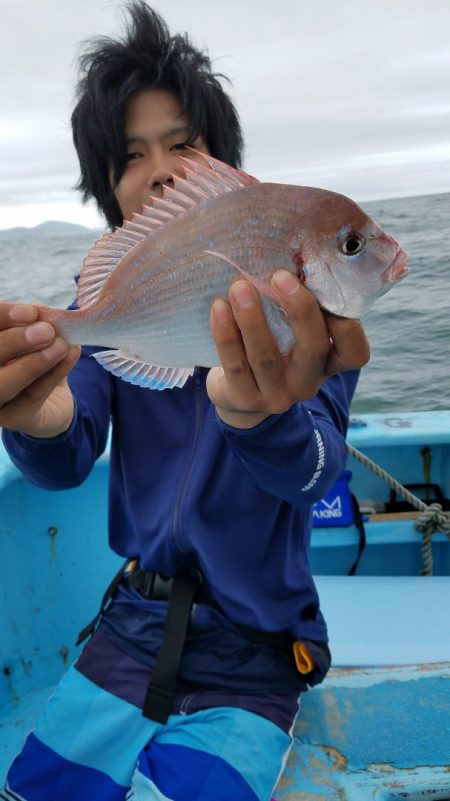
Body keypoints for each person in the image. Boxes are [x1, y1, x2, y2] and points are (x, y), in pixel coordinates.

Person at [0, 3, 370, 799]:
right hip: (128, 631)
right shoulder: (109, 306)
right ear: (109, 185)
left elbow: (318, 473)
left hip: (256, 651)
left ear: (223, 163)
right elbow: (69, 442)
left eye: (183, 144)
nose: (161, 168)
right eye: (131, 154)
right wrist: (36, 417)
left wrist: (257, 414)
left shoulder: (314, 317)